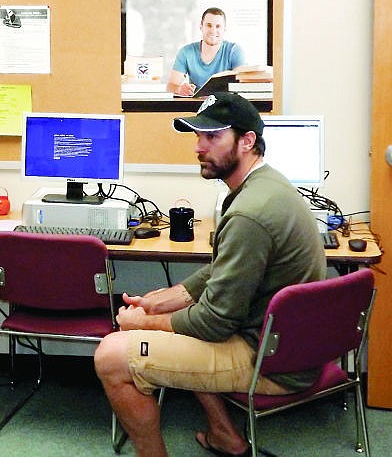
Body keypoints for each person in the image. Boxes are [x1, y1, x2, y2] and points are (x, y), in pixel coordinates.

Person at [94, 92, 326, 457]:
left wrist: (143, 321)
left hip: (272, 360)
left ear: (247, 141)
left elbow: (214, 322)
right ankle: (226, 435)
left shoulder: (249, 213)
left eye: (212, 137)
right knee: (169, 320)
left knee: (110, 356)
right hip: (280, 341)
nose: (199, 148)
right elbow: (224, 272)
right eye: (198, 137)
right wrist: (170, 297)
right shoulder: (266, 186)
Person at [166, 7, 245, 96]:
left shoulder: (234, 51)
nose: (213, 31)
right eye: (209, 25)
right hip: (197, 106)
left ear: (224, 29)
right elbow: (171, 86)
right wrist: (179, 89)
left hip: (226, 105)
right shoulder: (186, 52)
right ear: (201, 27)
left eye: (218, 26)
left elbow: (242, 85)